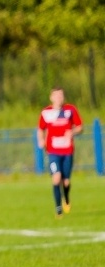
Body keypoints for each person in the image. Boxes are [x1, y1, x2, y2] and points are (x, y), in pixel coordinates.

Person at [37, 86, 83, 218]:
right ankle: (58, 209)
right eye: (56, 96)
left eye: (61, 95)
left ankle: (66, 198)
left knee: (66, 182)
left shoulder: (70, 110)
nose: (59, 98)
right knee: (56, 178)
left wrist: (72, 132)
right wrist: (40, 140)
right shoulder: (46, 113)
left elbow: (80, 127)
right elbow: (40, 129)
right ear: (51, 98)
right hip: (53, 151)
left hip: (67, 151)